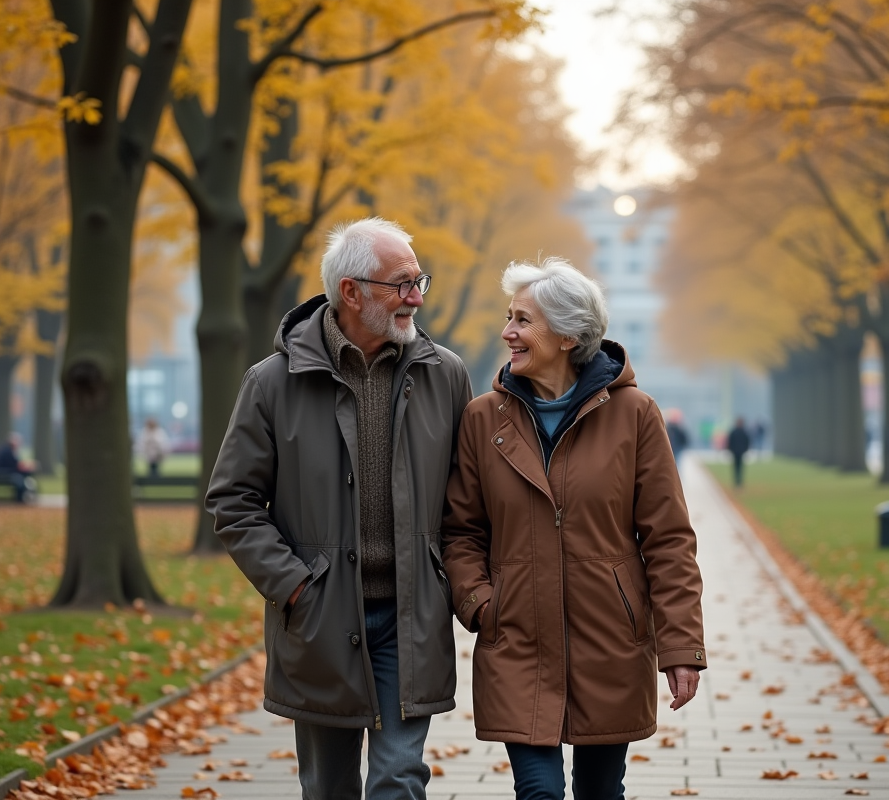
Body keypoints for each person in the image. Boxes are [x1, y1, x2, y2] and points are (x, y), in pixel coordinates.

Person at [205, 218, 472, 800]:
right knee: (328, 787)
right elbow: (234, 499)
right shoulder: (272, 383)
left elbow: (466, 500)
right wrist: (297, 585)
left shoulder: (445, 375)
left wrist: (446, 577)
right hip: (321, 618)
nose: (416, 298)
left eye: (418, 281)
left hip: (412, 615)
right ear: (351, 291)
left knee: (398, 779)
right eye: (401, 284)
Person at [443, 259, 706, 800]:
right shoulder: (480, 418)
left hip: (610, 640)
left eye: (522, 320)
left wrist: (681, 646)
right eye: (508, 317)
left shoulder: (635, 415)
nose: (507, 332)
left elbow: (669, 539)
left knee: (600, 792)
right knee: (538, 792)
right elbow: (460, 531)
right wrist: (480, 604)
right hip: (516, 636)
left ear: (567, 335)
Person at [0, 433, 35, 503]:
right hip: (6, 475)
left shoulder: (5, 450)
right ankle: (20, 499)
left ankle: (21, 498)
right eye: (17, 441)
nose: (19, 443)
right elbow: (15, 465)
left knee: (22, 478)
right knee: (20, 481)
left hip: (4, 474)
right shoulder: (8, 451)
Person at [726, 417, 751, 487]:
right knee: (736, 467)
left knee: (740, 467)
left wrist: (746, 449)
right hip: (735, 452)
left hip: (740, 452)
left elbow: (747, 441)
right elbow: (730, 442)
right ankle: (736, 481)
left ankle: (739, 482)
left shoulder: (743, 431)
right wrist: (730, 449)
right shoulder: (735, 432)